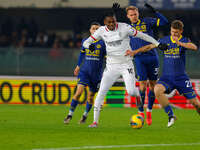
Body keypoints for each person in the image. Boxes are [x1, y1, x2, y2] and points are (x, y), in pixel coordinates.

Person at [83, 11, 168, 128]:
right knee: (101, 93)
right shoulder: (101, 31)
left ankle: (138, 95)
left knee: (132, 92)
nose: (112, 24)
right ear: (105, 23)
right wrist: (90, 46)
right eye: (109, 22)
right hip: (111, 67)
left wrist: (157, 44)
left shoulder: (125, 28)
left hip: (126, 65)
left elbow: (143, 35)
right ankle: (95, 122)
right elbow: (86, 42)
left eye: (113, 21)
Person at [126, 20, 200, 127]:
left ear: (181, 31)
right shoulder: (164, 40)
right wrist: (134, 52)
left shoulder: (184, 40)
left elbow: (194, 47)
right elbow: (149, 47)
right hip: (167, 78)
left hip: (181, 78)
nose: (174, 34)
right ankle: (171, 115)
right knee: (157, 90)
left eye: (176, 32)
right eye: (172, 31)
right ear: (170, 30)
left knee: (196, 104)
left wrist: (180, 43)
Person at [113, 3, 168, 125]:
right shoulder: (126, 27)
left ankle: (149, 111)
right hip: (139, 59)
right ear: (127, 16)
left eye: (135, 14)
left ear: (138, 14)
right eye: (131, 15)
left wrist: (155, 12)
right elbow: (113, 28)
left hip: (152, 57)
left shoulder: (147, 22)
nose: (133, 16)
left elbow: (164, 22)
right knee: (142, 86)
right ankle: (140, 111)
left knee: (153, 86)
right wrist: (115, 14)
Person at [64, 22, 106, 124]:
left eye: (97, 28)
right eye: (93, 28)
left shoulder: (104, 43)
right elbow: (81, 54)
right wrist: (78, 66)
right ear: (90, 30)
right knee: (78, 93)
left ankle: (84, 116)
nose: (95, 30)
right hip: (85, 71)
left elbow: (107, 57)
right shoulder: (86, 41)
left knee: (91, 96)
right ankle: (69, 115)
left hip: (96, 74)